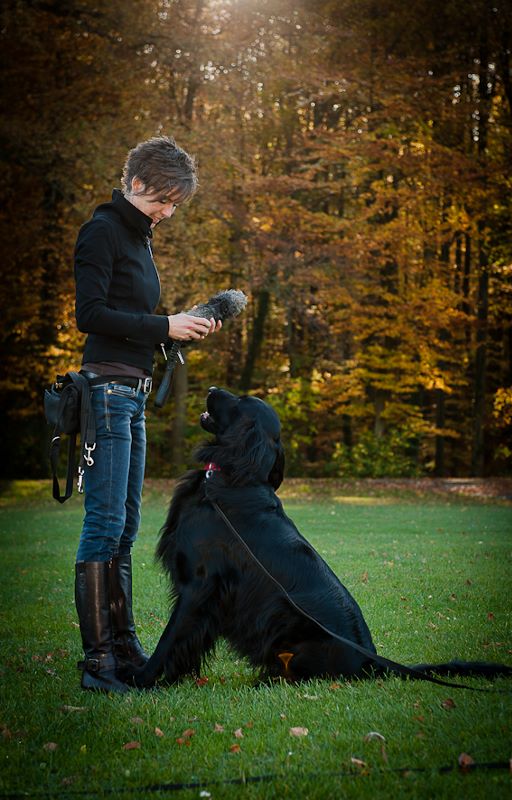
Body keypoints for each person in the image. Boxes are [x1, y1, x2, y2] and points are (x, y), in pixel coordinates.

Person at [73, 136, 220, 692]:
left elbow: (130, 316)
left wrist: (179, 329)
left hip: (132, 394)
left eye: (176, 203)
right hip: (106, 394)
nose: (169, 211)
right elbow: (91, 314)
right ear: (137, 183)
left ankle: (125, 647)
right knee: (105, 525)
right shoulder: (103, 231)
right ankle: (99, 664)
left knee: (128, 526)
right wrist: (164, 325)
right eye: (165, 199)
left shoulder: (140, 239)